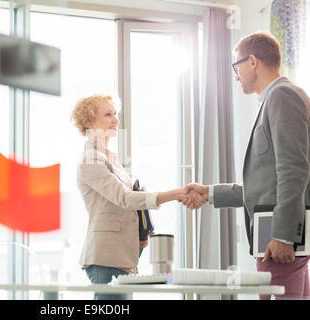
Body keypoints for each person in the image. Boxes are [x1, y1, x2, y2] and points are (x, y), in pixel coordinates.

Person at [184, 32, 310, 300]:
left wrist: (284, 236)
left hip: (277, 240)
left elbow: (294, 170)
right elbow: (264, 186)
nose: (235, 74)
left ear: (252, 60)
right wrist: (211, 192)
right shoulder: (275, 98)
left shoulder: (282, 96)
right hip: (273, 236)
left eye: (236, 65)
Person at [71, 93, 205, 300]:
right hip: (106, 256)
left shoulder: (111, 159)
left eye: (115, 114)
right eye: (108, 115)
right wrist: (176, 193)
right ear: (88, 121)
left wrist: (138, 231)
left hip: (121, 255)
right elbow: (124, 198)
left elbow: (127, 203)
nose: (115, 120)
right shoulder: (91, 160)